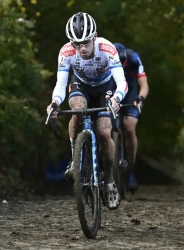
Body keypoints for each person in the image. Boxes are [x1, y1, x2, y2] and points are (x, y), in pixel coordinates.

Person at [46, 12, 128, 210]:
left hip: (105, 87)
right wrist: (55, 102)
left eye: (85, 42)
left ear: (94, 36)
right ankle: (75, 159)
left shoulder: (107, 49)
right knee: (77, 110)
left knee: (103, 132)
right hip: (80, 85)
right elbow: (61, 83)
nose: (81, 48)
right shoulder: (66, 52)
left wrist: (117, 99)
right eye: (76, 43)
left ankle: (109, 181)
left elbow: (122, 82)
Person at [113, 42, 149, 192]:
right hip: (113, 88)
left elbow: (144, 84)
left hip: (131, 90)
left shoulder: (134, 57)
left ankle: (131, 170)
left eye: (123, 63)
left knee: (129, 126)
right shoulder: (106, 59)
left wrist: (140, 98)